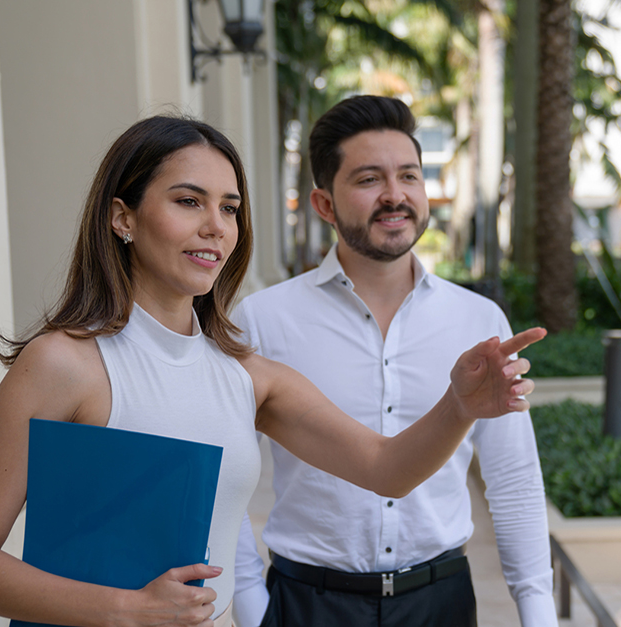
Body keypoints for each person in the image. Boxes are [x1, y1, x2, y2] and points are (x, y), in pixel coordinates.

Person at [0, 115, 544, 627]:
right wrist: (126, 609)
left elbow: (387, 469)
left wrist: (458, 406)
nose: (215, 227)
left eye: (229, 208)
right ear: (122, 218)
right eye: (187, 201)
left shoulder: (248, 375)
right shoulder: (63, 363)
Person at [230, 95, 558, 627]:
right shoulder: (263, 319)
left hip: (440, 603)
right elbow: (226, 482)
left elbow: (514, 479)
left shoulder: (479, 320)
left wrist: (538, 616)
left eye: (409, 175)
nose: (394, 195)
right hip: (308, 603)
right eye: (367, 179)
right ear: (324, 205)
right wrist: (250, 604)